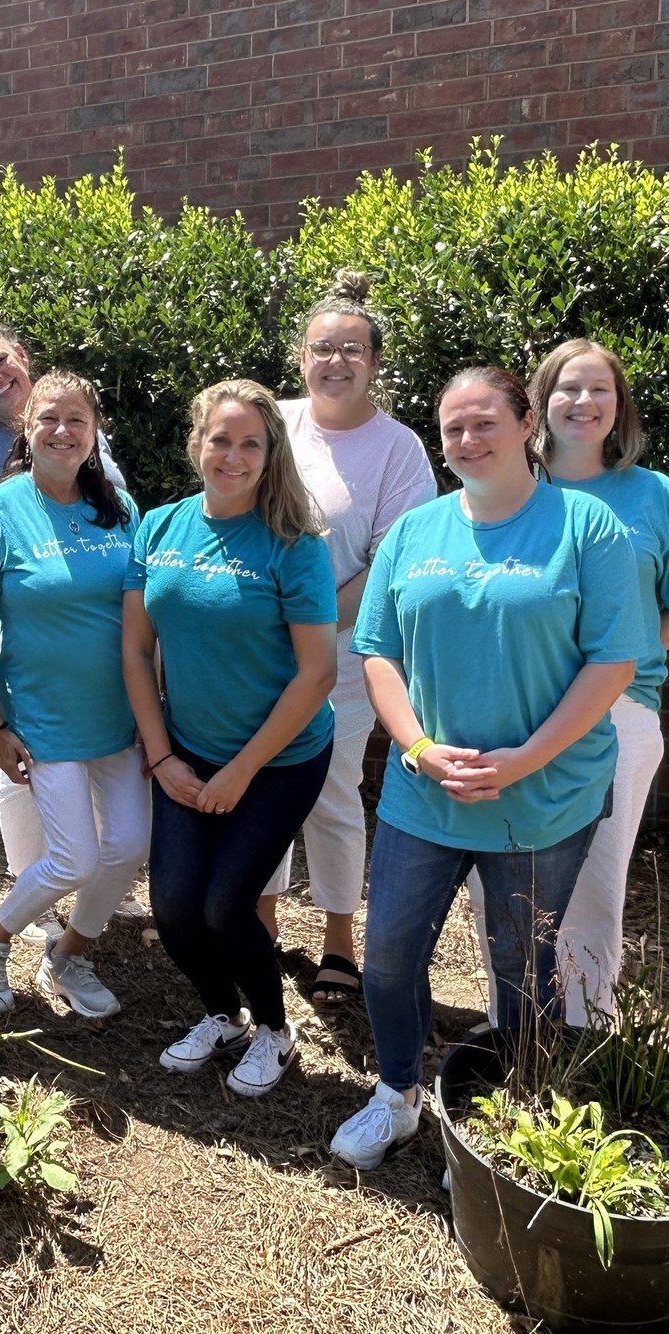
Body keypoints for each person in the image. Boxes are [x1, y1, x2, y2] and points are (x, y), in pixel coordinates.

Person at [329, 366, 641, 1168]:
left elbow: (613, 663)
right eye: (451, 429)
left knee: (518, 960)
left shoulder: (587, 529)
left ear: (526, 420)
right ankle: (396, 1093)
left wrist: (524, 759)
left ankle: (512, 1118)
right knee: (392, 952)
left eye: (482, 423)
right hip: (423, 792)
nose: (465, 441)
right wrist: (418, 748)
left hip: (541, 795)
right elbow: (377, 652)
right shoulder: (414, 532)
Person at [469, 340, 669, 1026]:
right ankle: (510, 1021)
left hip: (620, 715)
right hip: (513, 706)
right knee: (504, 878)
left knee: (595, 882)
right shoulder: (510, 490)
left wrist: (617, 664)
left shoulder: (654, 495)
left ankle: (579, 1029)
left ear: (619, 405)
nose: (583, 402)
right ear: (540, 404)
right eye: (567, 388)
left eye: (599, 389)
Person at [124, 379, 337, 1098]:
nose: (234, 455)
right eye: (221, 439)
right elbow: (133, 651)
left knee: (226, 905)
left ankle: (275, 1029)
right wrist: (161, 757)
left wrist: (243, 770)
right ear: (197, 443)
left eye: (251, 443)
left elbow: (317, 673)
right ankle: (223, 1013)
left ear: (271, 453)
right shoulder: (157, 528)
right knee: (176, 907)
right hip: (186, 748)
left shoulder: (294, 545)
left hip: (281, 756)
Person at [256, 269, 436, 1010]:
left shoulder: (399, 449)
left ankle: (337, 936)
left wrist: (312, 627)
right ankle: (258, 918)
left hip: (344, 659)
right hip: (258, 650)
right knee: (260, 783)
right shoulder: (274, 423)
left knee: (330, 790)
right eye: (322, 347)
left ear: (375, 361)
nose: (336, 361)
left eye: (351, 349)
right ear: (301, 356)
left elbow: (390, 560)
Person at [0, 302, 140, 944]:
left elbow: (141, 616)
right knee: (72, 856)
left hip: (115, 713)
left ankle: (71, 949)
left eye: (75, 421)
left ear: (94, 432)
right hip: (39, 709)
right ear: (27, 431)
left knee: (131, 845)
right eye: (48, 421)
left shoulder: (120, 506)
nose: (62, 432)